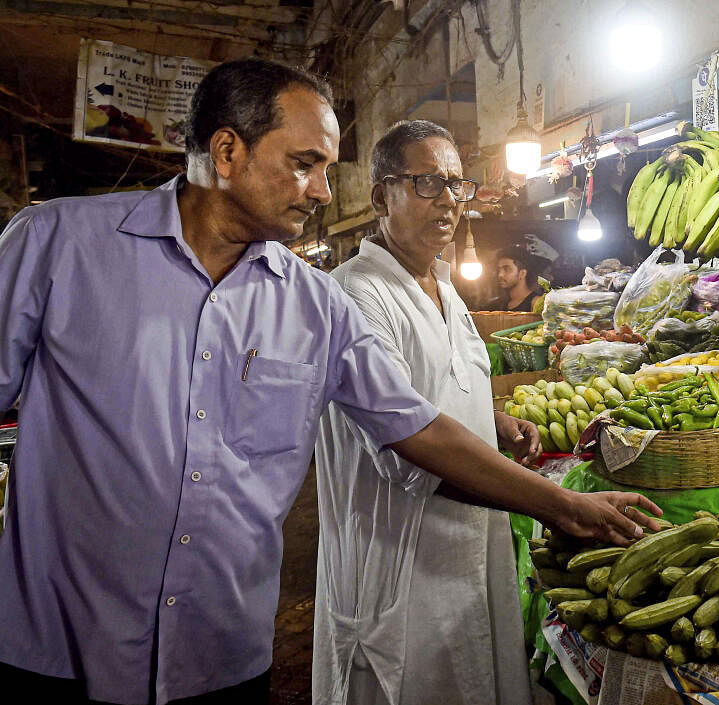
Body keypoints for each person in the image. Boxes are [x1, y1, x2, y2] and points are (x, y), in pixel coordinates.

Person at [0, 58, 660, 705]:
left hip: (218, 656)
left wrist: (565, 504)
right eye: (304, 163)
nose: (321, 190)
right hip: (60, 648)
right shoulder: (57, 247)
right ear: (226, 151)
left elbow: (419, 428)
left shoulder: (315, 305)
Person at [313, 120, 539, 705]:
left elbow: (440, 388)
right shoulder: (356, 294)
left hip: (468, 549)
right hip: (401, 566)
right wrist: (557, 504)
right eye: (427, 184)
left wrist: (495, 421)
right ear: (379, 195)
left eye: (457, 186)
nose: (448, 202)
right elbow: (410, 448)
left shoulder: (443, 284)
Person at [490, 243, 542, 311]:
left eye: (507, 269)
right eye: (499, 269)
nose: (500, 274)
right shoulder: (500, 304)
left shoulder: (536, 303)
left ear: (522, 273)